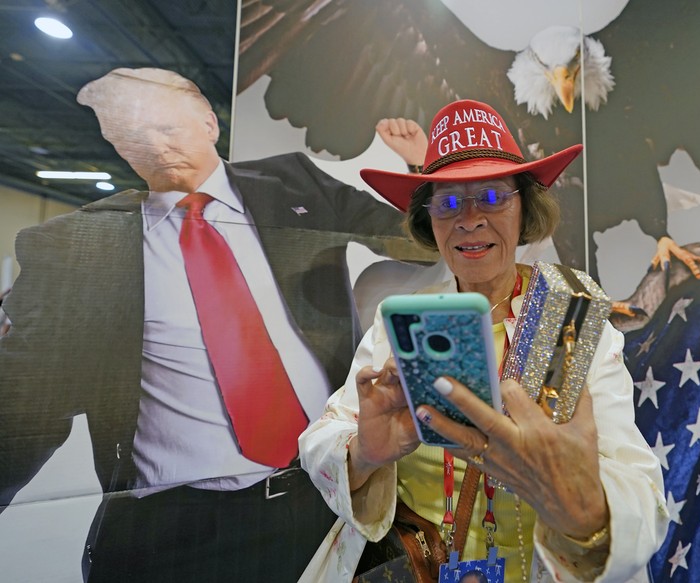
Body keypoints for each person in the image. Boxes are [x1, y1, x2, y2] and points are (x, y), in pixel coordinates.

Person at [0, 67, 426, 583]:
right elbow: (27, 405)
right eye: (131, 137)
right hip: (169, 534)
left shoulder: (295, 182)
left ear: (208, 123)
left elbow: (411, 241)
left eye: (167, 128)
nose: (154, 147)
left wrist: (422, 169)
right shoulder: (77, 246)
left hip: (314, 503)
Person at [300, 99, 669, 582]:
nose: (469, 219)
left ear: (525, 208)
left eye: (493, 197)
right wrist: (364, 454)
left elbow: (642, 490)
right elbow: (323, 439)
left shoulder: (570, 318)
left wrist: (587, 511)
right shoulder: (404, 325)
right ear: (429, 221)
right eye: (448, 203)